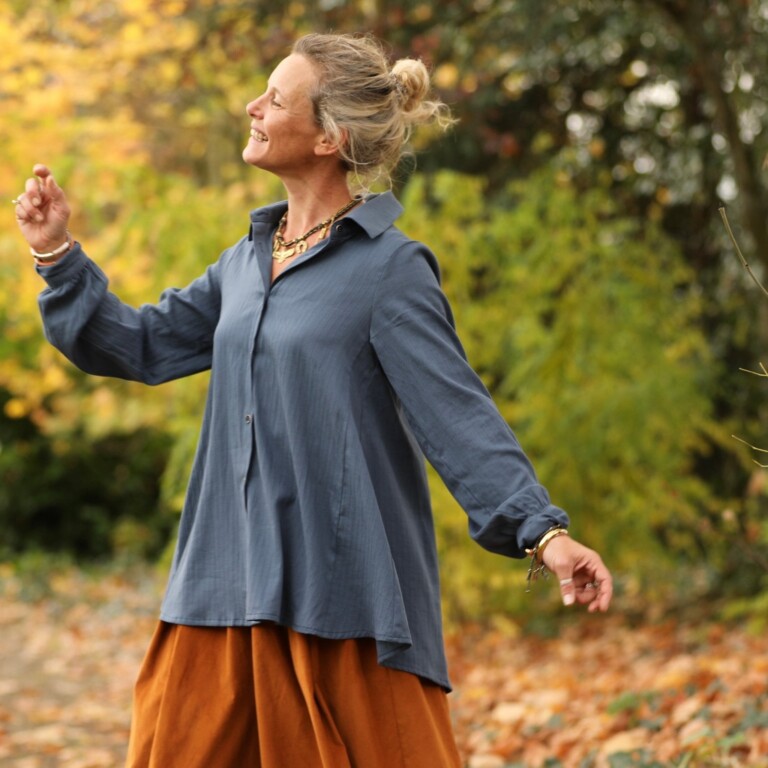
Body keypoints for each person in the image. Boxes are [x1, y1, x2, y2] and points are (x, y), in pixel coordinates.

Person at [13, 32, 612, 768]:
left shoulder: (391, 270)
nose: (252, 107)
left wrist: (543, 534)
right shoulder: (244, 261)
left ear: (330, 137)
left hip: (341, 598)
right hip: (220, 588)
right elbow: (138, 345)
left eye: (275, 97)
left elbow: (457, 419)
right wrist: (57, 256)